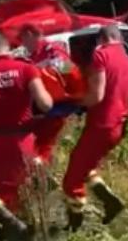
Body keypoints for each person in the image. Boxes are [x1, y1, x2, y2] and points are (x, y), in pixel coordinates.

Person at [0, 31, 52, 241]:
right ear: (7, 47)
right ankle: (25, 228)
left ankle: (11, 224)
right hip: (22, 141)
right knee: (21, 186)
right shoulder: (27, 69)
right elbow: (46, 104)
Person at [62, 24, 128, 230]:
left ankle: (74, 227)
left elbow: (96, 95)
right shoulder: (126, 58)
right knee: (86, 166)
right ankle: (110, 203)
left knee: (71, 180)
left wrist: (75, 102)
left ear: (101, 39)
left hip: (101, 125)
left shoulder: (101, 55)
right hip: (118, 125)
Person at [20, 23, 83, 167]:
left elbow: (68, 68)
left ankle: (45, 172)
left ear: (29, 35)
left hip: (59, 106)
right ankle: (42, 172)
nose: (23, 44)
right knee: (40, 143)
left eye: (23, 39)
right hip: (44, 106)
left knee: (47, 144)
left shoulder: (52, 49)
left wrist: (40, 70)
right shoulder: (33, 55)